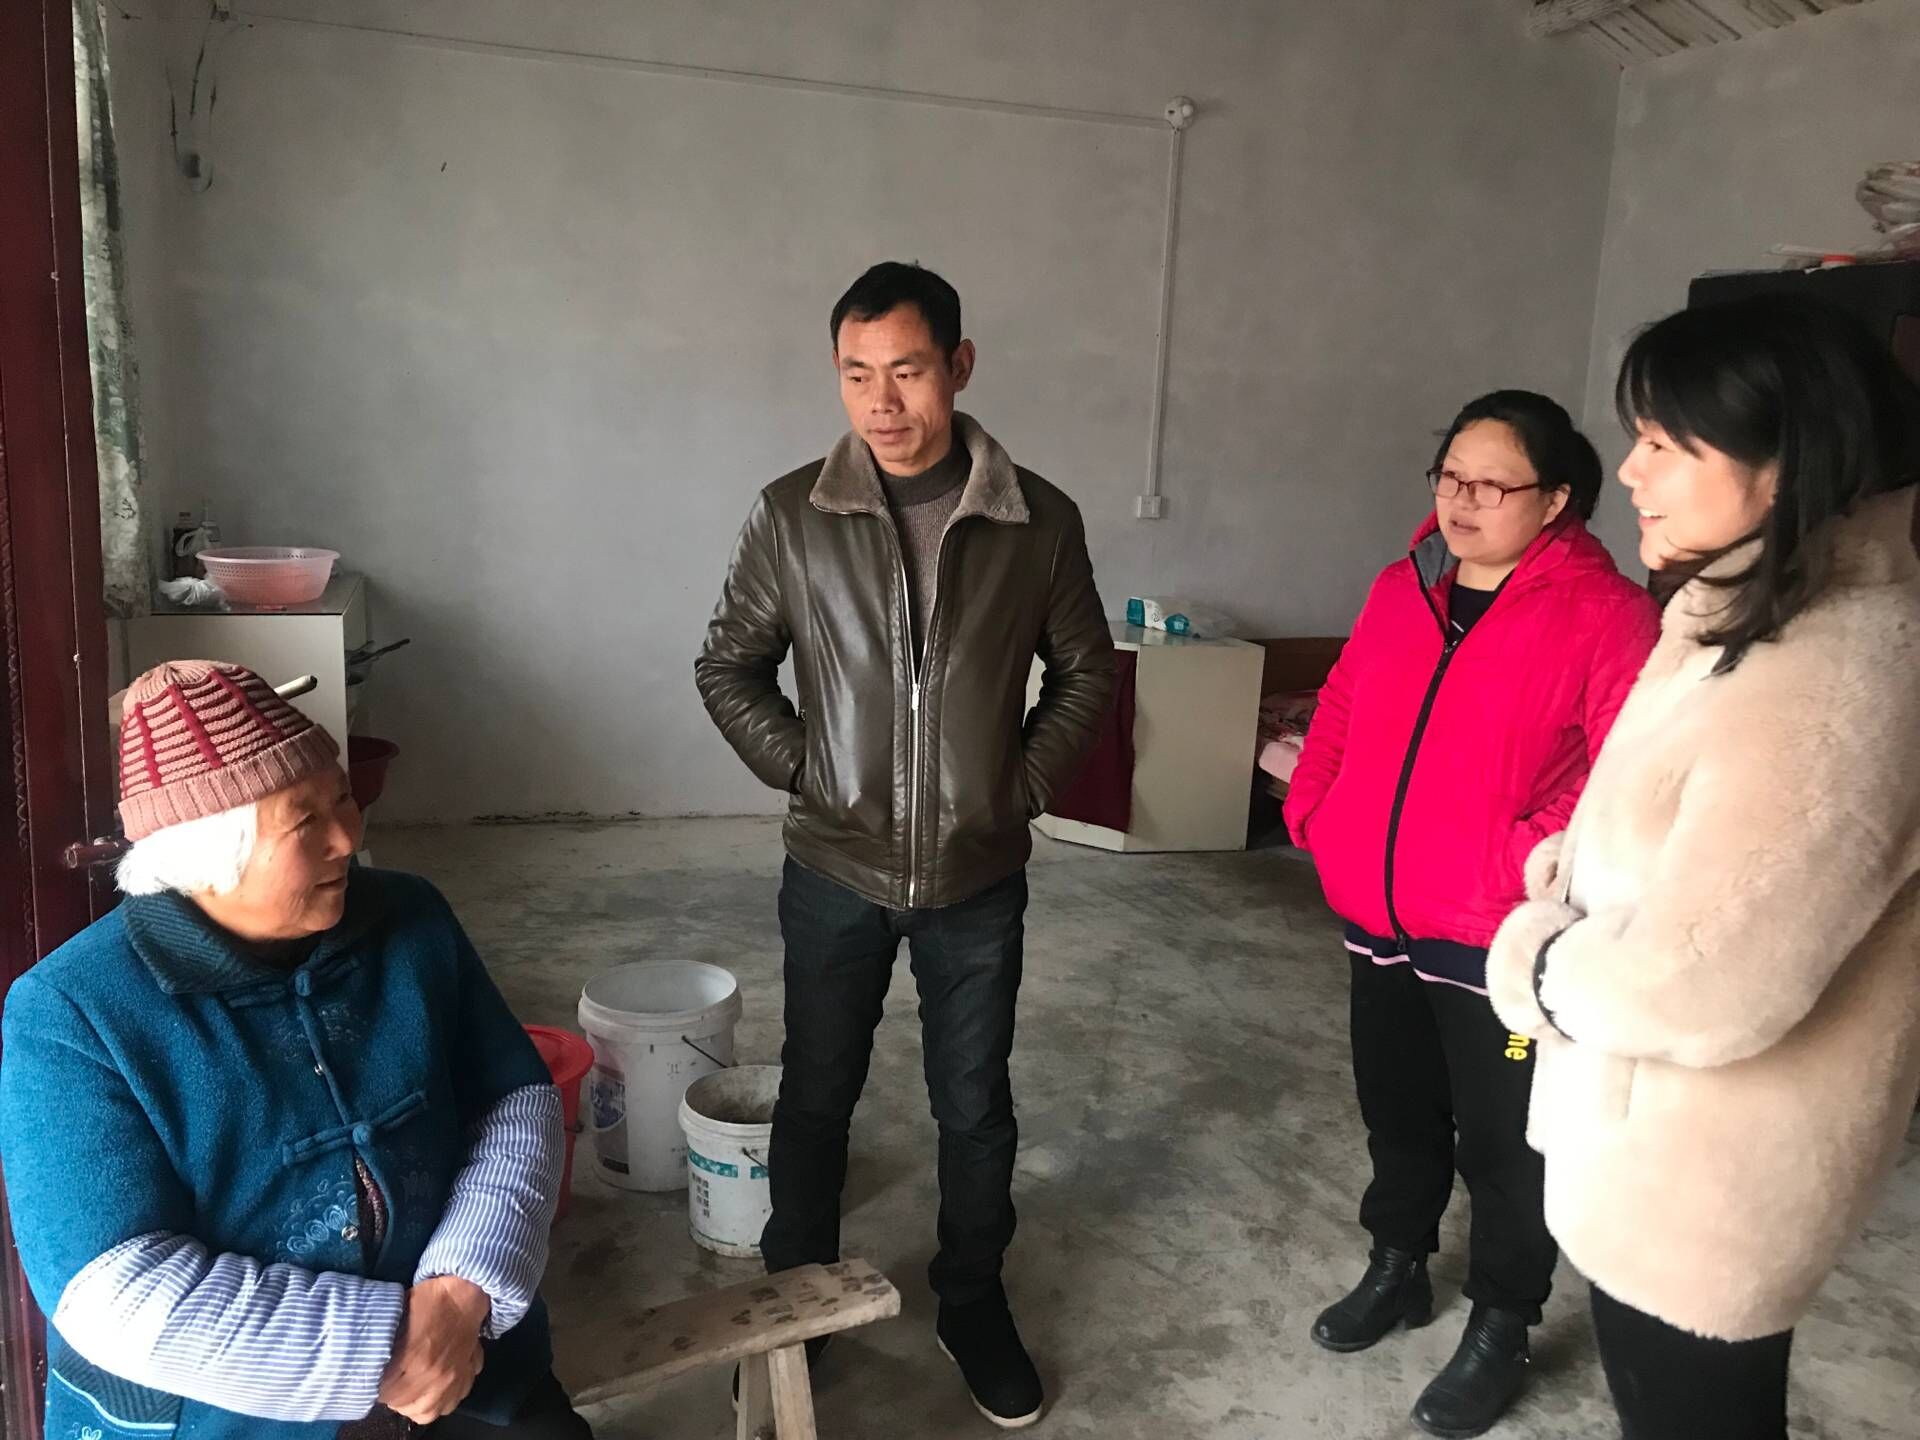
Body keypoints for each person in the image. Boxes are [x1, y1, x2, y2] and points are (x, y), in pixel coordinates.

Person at [1487, 296, 1920, 1440]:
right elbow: (1674, 837)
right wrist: (1568, 871)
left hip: (1709, 1187)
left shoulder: (1835, 669)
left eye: (1664, 443)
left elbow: (1707, 981)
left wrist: (1534, 960)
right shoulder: (1750, 616)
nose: (1631, 471)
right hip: (1654, 1149)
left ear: (1786, 462)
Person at [694, 260, 1114, 1428]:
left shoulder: (1038, 521)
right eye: (857, 373)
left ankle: (970, 1301)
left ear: (959, 368)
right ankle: (798, 1304)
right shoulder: (793, 515)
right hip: (834, 869)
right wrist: (809, 769)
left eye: (909, 371)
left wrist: (1017, 787)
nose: (882, 402)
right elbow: (728, 665)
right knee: (816, 1094)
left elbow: (1086, 672)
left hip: (977, 878)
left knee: (973, 1104)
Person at [0, 661, 591, 1440]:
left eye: (342, 796)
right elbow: (114, 1289)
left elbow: (512, 1102)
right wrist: (387, 1346)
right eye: (305, 820)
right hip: (224, 1416)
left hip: (464, 1357)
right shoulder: (72, 1012)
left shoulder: (409, 917)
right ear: (208, 858)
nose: (349, 836)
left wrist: (461, 1290)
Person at [1285, 391, 1659, 1437]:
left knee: (1505, 1143)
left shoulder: (1607, 614)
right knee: (1397, 1109)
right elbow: (1344, 704)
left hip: (1496, 935)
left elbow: (1622, 777)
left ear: (1557, 500)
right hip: (1380, 910)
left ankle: (1503, 1318)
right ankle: (1398, 1263)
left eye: (1492, 485)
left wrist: (1512, 860)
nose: (1461, 501)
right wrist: (1319, 811)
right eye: (1450, 477)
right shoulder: (1402, 586)